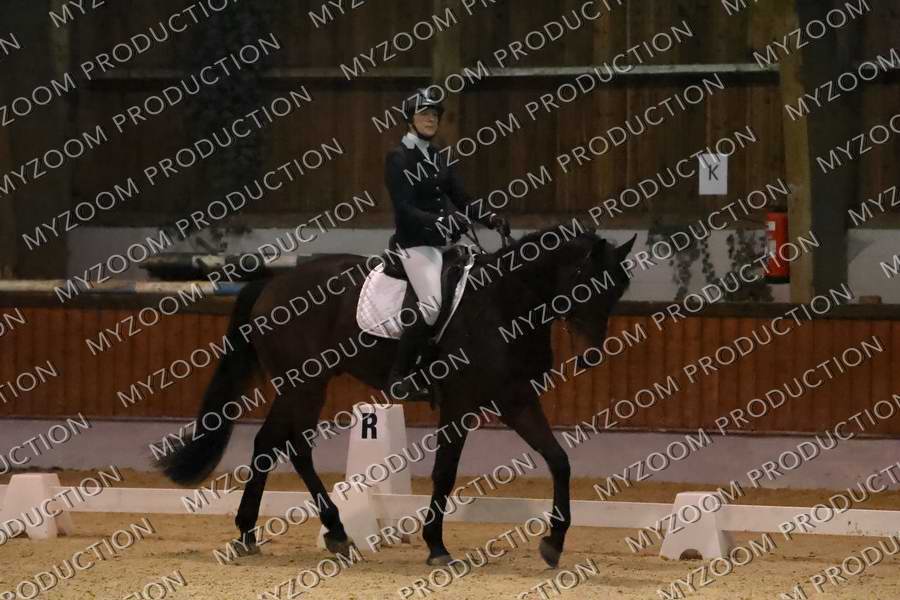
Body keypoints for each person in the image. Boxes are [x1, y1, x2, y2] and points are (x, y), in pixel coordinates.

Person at [383, 87, 510, 400]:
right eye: (424, 114)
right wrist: (440, 221)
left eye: (434, 114)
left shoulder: (439, 156)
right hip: (416, 245)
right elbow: (404, 208)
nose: (430, 119)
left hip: (446, 244)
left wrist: (490, 218)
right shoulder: (398, 158)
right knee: (430, 306)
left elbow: (462, 199)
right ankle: (399, 375)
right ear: (410, 119)